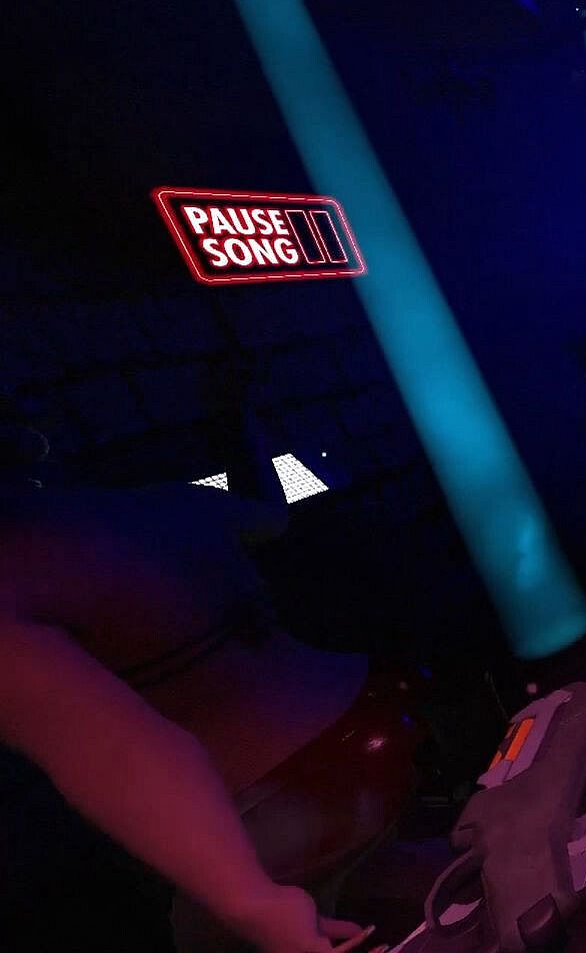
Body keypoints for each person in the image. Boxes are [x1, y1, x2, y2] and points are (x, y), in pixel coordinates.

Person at [0, 374, 401, 952]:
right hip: (375, 713)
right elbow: (274, 518)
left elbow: (119, 748)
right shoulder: (173, 503)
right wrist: (242, 430)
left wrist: (255, 903)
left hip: (277, 804)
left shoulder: (15, 564)